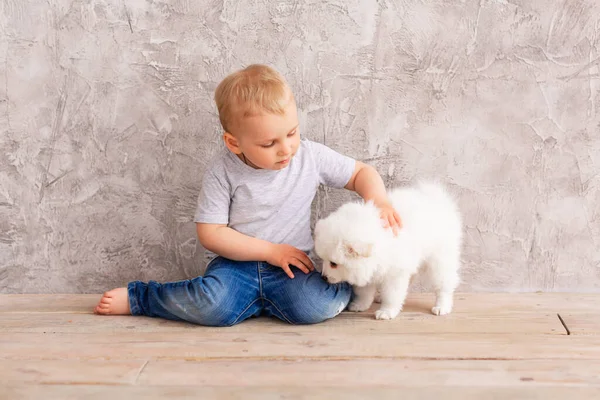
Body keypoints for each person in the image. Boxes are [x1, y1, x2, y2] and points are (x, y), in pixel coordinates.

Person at [94, 64, 401, 326]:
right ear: (234, 143)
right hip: (235, 267)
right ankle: (142, 298)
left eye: (292, 133)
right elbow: (210, 233)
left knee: (316, 305)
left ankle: (261, 303)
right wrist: (269, 251)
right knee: (212, 304)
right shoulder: (222, 172)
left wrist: (380, 201)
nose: (286, 149)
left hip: (293, 268)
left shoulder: (310, 156)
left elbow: (362, 173)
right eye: (269, 143)